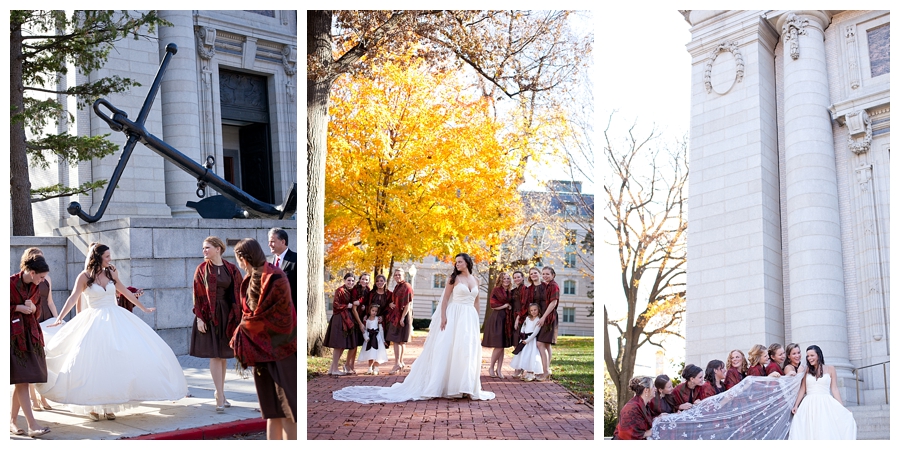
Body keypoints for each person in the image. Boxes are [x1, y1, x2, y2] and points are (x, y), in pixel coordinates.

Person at [38, 243, 187, 421]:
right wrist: (59, 318)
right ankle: (93, 406)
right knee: (94, 363)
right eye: (107, 256)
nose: (110, 259)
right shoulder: (84, 277)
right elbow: (73, 298)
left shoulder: (111, 273)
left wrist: (144, 308)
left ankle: (109, 405)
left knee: (113, 362)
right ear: (98, 257)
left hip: (116, 319)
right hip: (93, 322)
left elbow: (125, 292)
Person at [332, 253, 495, 403]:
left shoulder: (475, 280)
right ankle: (448, 386)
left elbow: (476, 301)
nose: (457, 264)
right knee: (449, 349)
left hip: (469, 319)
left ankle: (465, 386)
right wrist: (444, 317)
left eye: (460, 262)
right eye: (456, 262)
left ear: (467, 262)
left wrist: (477, 320)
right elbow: (445, 300)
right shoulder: (453, 279)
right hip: (454, 316)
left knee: (467, 350)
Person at [231, 238, 297, 440]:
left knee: (288, 410)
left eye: (239, 260)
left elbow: (282, 318)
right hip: (260, 352)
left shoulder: (276, 277)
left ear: (244, 259)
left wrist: (246, 328)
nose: (239, 264)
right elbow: (250, 315)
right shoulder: (250, 280)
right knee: (272, 411)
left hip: (282, 350)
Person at [189, 236, 243, 412]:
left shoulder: (231, 269)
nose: (204, 251)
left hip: (228, 315)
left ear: (218, 249)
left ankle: (221, 392)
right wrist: (199, 318)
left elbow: (239, 293)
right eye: (203, 248)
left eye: (207, 248)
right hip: (209, 314)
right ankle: (219, 395)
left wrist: (240, 317)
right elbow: (197, 295)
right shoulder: (202, 269)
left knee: (223, 355)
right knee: (214, 354)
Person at [10, 255, 51, 437]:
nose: (43, 281)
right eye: (41, 277)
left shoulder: (35, 286)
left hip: (31, 337)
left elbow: (38, 309)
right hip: (14, 338)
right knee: (22, 380)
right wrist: (17, 308)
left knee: (23, 379)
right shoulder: (9, 283)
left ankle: (12, 421)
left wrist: (33, 308)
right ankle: (32, 425)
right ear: (32, 272)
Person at [789, 345, 857, 440]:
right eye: (808, 356)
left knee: (824, 430)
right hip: (809, 404)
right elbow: (803, 389)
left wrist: (842, 407)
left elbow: (834, 389)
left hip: (825, 403)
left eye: (812, 355)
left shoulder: (830, 369)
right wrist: (796, 405)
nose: (809, 358)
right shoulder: (807, 370)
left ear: (819, 355)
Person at [18, 248, 57, 412]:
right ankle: (34, 399)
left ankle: (43, 396)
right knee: (32, 360)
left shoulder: (46, 278)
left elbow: (50, 301)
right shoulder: (22, 281)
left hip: (46, 316)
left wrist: (58, 319)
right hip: (32, 320)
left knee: (45, 359)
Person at [324, 273, 360, 376]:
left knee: (342, 345)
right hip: (339, 318)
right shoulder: (340, 290)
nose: (351, 282)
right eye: (349, 280)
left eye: (353, 281)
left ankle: (332, 369)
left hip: (346, 319)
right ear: (344, 280)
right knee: (338, 345)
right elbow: (335, 305)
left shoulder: (350, 291)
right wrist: (346, 306)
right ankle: (335, 369)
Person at [481, 272, 513, 378]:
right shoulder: (496, 290)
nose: (506, 280)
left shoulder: (510, 291)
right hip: (498, 318)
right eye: (504, 278)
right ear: (500, 280)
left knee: (502, 346)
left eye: (508, 278)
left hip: (507, 319)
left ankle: (499, 369)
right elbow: (493, 305)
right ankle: (491, 367)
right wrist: (505, 306)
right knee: (498, 345)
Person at [385, 267, 413, 374]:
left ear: (403, 275)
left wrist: (402, 318)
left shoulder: (406, 286)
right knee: (400, 341)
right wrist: (390, 304)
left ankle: (397, 363)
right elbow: (395, 301)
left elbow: (408, 304)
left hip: (403, 316)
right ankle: (400, 363)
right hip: (397, 315)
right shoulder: (397, 286)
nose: (397, 276)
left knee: (397, 340)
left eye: (399, 275)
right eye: (395, 275)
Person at [534, 267, 560, 381]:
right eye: (543, 274)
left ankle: (545, 371)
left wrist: (544, 317)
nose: (545, 276)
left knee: (540, 344)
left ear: (553, 275)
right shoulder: (546, 286)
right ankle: (546, 370)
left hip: (549, 317)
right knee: (546, 345)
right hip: (545, 316)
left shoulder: (554, 286)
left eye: (547, 274)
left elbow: (553, 302)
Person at [345, 273, 371, 375]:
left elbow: (366, 303)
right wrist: (360, 323)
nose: (364, 281)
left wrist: (365, 310)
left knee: (356, 344)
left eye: (366, 279)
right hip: (354, 319)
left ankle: (352, 365)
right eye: (362, 279)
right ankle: (347, 364)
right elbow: (354, 309)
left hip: (362, 317)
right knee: (353, 344)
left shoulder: (368, 290)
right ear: (359, 280)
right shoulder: (356, 290)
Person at [509, 303, 542, 381]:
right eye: (531, 310)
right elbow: (524, 326)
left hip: (531, 340)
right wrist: (522, 334)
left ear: (538, 310)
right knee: (523, 354)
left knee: (531, 355)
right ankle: (523, 370)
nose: (533, 312)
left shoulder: (538, 319)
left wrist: (527, 340)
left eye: (535, 310)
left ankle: (531, 372)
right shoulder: (527, 318)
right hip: (524, 338)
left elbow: (535, 332)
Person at [267, 228, 297, 309]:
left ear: (283, 242)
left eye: (272, 242)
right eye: (269, 242)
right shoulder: (267, 261)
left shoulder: (296, 259)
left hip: (290, 309)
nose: (269, 244)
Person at [358, 305, 388, 375]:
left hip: (377, 338)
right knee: (370, 353)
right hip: (369, 338)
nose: (374, 312)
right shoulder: (366, 320)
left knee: (378, 353)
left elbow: (381, 330)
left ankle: (376, 368)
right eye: (373, 311)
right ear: (370, 311)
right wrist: (366, 337)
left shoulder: (378, 319)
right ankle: (370, 368)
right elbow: (364, 330)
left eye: (376, 311)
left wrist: (383, 340)